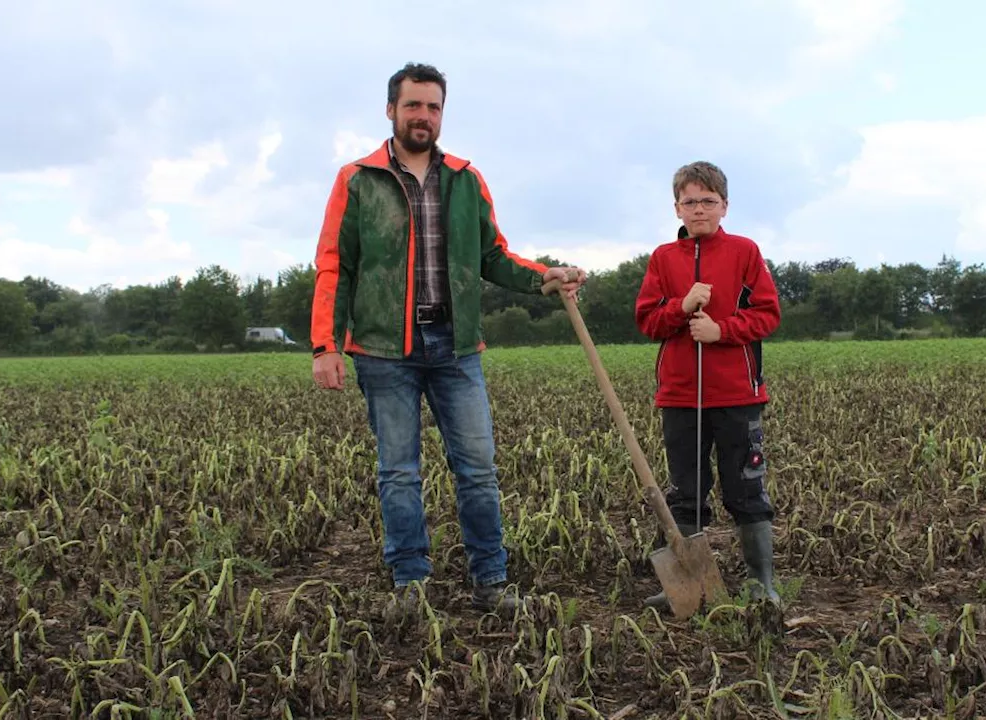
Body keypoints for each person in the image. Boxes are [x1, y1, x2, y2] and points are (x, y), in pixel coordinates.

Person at [310, 62, 586, 615]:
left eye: (433, 107)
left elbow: (493, 256)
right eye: (413, 105)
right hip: (385, 351)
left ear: (442, 114)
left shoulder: (465, 178)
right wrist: (326, 345)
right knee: (398, 472)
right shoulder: (357, 179)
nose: (423, 116)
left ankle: (492, 582)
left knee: (479, 470)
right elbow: (334, 265)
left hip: (455, 349)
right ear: (391, 110)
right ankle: (410, 585)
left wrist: (543, 277)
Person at [633, 160, 782, 611]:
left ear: (724, 207)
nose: (699, 209)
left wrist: (722, 331)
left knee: (746, 490)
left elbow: (768, 314)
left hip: (737, 396)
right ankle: (687, 585)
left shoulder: (745, 252)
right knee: (686, 493)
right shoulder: (662, 258)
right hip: (680, 398)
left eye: (708, 201)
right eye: (690, 201)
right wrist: (681, 307)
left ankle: (761, 584)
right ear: (677, 208)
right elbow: (647, 321)